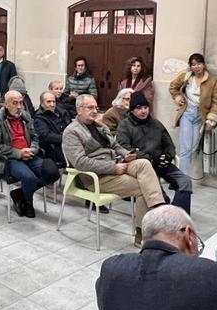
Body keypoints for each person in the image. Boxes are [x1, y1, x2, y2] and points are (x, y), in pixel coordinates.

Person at [62, 96, 166, 245]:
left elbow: (115, 145)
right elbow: (80, 163)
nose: (95, 110)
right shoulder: (72, 132)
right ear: (79, 110)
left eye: (96, 107)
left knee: (143, 163)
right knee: (144, 187)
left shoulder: (100, 126)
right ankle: (142, 233)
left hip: (116, 164)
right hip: (97, 177)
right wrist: (113, 168)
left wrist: (126, 155)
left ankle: (159, 209)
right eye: (90, 107)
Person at [0, 90, 61, 218]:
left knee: (53, 173)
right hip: (9, 158)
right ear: (6, 104)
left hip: (29, 154)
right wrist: (18, 153)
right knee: (29, 178)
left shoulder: (25, 116)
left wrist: (33, 149)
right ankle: (28, 203)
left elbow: (35, 137)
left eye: (21, 103)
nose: (19, 106)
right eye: (15, 103)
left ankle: (20, 193)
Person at [118, 91, 192, 213]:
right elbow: (124, 148)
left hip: (161, 164)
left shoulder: (156, 124)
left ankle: (177, 215)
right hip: (143, 166)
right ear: (131, 110)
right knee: (159, 196)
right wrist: (151, 159)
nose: (143, 111)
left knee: (185, 182)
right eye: (139, 108)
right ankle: (169, 214)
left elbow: (168, 144)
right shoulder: (125, 125)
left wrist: (168, 156)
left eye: (146, 107)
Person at [168, 53, 217, 181]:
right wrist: (177, 97)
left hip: (201, 116)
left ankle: (180, 176)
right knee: (185, 149)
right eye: (193, 64)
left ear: (203, 64)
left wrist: (211, 119)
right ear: (190, 66)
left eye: (199, 63)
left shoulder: (212, 80)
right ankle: (183, 180)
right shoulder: (186, 77)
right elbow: (173, 87)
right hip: (187, 113)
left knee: (193, 148)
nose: (196, 67)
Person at [33, 90, 73, 168]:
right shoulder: (39, 118)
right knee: (78, 160)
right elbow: (46, 136)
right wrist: (67, 137)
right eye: (48, 102)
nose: (52, 104)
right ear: (42, 103)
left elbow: (71, 126)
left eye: (54, 102)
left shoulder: (61, 111)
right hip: (54, 148)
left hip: (69, 143)